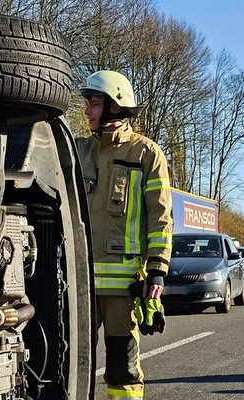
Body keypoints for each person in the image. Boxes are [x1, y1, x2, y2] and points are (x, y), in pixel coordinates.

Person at [75, 70, 173, 400]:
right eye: (87, 103)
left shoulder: (146, 154)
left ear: (116, 107)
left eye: (94, 103)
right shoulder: (77, 151)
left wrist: (157, 270)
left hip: (122, 288)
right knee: (72, 367)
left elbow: (161, 218)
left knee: (122, 368)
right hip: (77, 285)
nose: (87, 110)